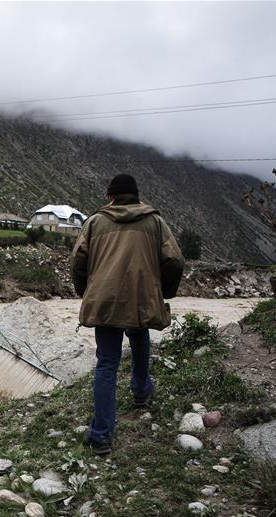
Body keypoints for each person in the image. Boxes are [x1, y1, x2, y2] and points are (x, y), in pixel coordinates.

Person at [70, 174, 185, 455]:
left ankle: (100, 436)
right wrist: (163, 291)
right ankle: (142, 391)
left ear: (110, 197)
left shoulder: (95, 222)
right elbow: (175, 260)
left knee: (107, 364)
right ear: (136, 196)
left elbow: (77, 260)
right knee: (139, 336)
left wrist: (87, 291)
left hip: (105, 300)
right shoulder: (155, 222)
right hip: (140, 299)